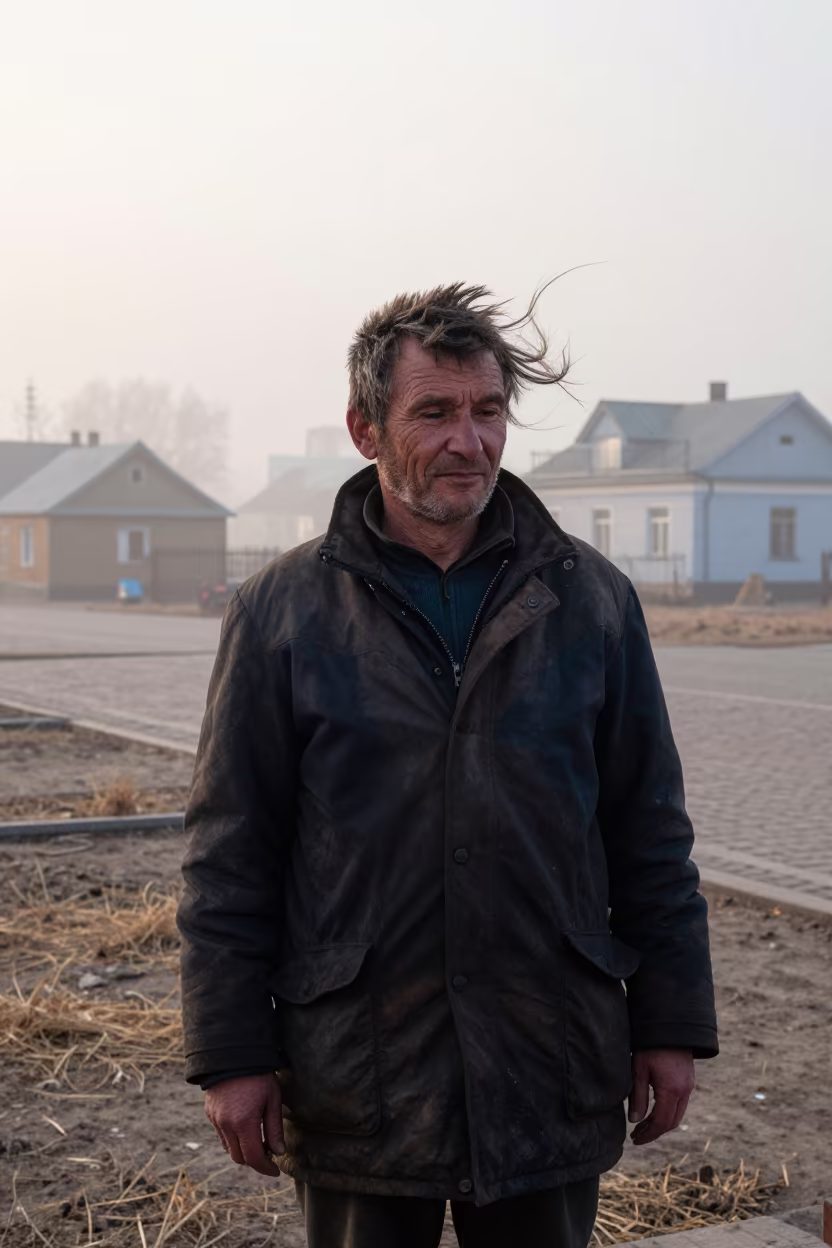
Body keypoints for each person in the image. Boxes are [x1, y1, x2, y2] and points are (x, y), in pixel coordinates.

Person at [178, 284, 718, 1248]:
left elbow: (649, 829)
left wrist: (671, 1022)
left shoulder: (592, 603)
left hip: (545, 1055)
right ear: (364, 429)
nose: (469, 441)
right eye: (434, 412)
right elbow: (230, 849)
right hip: (362, 1070)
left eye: (488, 411)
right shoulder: (281, 612)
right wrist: (229, 1054)